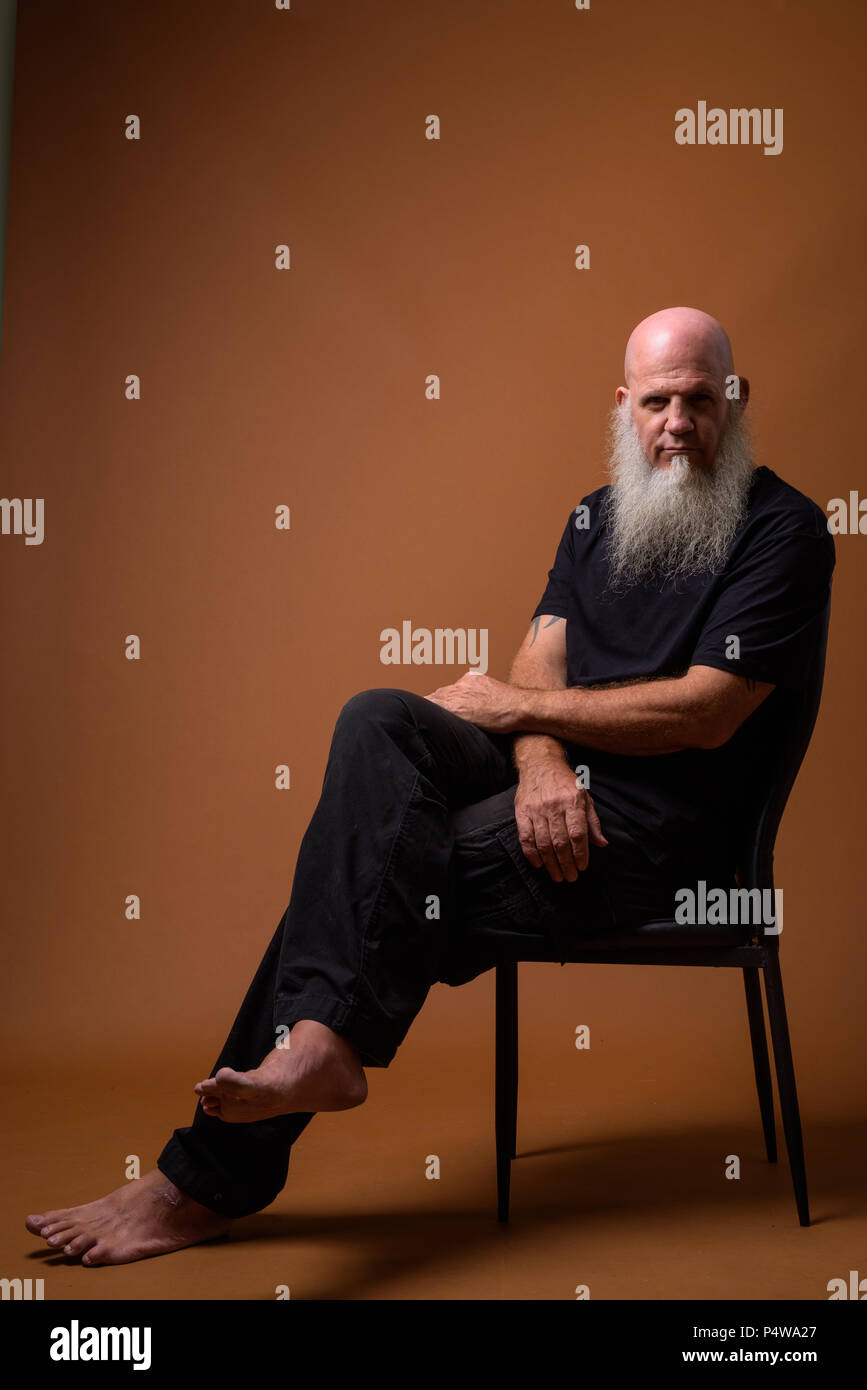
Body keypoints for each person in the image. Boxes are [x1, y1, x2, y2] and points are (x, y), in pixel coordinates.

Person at [25, 306, 834, 1266]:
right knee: (378, 719)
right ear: (623, 407)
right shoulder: (597, 517)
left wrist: (523, 728)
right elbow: (540, 655)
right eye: (656, 401)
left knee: (377, 882)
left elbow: (704, 711)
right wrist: (539, 765)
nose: (676, 424)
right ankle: (310, 1054)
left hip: (658, 844)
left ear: (733, 402)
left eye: (699, 400)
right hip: (563, 795)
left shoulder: (783, 530)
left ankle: (204, 1178)